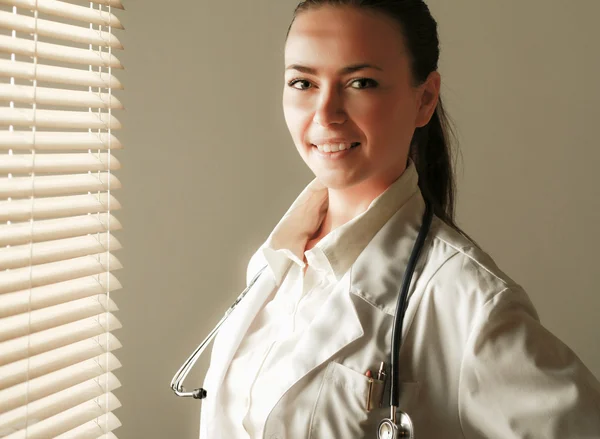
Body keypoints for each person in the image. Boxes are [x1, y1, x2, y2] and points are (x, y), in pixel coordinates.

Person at [199, 1, 600, 438]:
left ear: (424, 99)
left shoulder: (467, 302)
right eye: (303, 82)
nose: (326, 112)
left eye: (361, 82)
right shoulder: (277, 263)